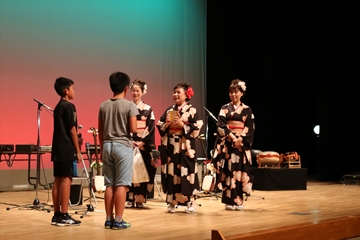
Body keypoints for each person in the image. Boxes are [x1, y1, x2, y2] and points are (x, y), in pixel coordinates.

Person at [98, 71, 138, 230]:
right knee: (121, 184)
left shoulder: (104, 105)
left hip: (107, 145)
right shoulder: (130, 105)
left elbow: (100, 130)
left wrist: (102, 147)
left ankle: (109, 219)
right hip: (123, 146)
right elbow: (133, 129)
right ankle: (119, 220)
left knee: (109, 184)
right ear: (126, 88)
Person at [156, 82, 203, 213]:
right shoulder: (170, 110)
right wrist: (167, 124)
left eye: (178, 92)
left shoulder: (192, 110)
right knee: (172, 173)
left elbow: (197, 126)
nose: (175, 95)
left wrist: (184, 125)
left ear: (186, 94)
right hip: (171, 145)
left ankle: (190, 202)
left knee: (187, 173)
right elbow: (160, 124)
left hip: (185, 146)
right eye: (174, 92)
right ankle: (172, 201)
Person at [212, 79, 255, 211]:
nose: (233, 95)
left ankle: (239, 200)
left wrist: (240, 139)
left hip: (240, 146)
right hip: (228, 145)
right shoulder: (224, 108)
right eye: (231, 92)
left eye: (236, 92)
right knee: (227, 171)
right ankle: (229, 200)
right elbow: (220, 125)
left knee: (239, 172)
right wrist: (232, 137)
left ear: (242, 93)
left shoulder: (247, 110)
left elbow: (250, 127)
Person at [51, 77, 82, 226]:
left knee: (57, 180)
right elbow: (72, 130)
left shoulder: (57, 107)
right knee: (66, 180)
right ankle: (64, 214)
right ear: (66, 91)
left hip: (57, 148)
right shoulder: (70, 107)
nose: (74, 91)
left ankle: (56, 214)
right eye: (72, 88)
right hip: (66, 148)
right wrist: (78, 150)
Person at [125, 79, 157, 209]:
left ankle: (140, 199)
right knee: (129, 171)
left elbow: (150, 127)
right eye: (133, 90)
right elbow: (124, 126)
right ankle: (129, 199)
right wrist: (130, 140)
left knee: (142, 171)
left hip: (143, 145)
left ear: (143, 92)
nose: (135, 93)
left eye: (137, 91)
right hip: (130, 143)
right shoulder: (127, 107)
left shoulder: (148, 109)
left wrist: (143, 142)